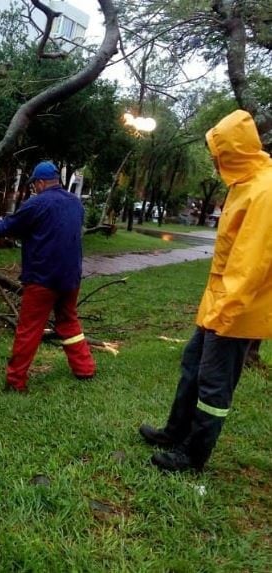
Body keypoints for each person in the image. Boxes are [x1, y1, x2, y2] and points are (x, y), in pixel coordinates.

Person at [139, 110, 272, 472]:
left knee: (214, 386)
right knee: (191, 367)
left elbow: (251, 265)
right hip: (217, 305)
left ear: (235, 151)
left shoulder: (263, 191)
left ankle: (193, 455)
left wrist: (222, 316)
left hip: (235, 312)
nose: (214, 160)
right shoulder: (244, 182)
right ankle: (174, 432)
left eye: (218, 153)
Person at [0, 160, 96, 393]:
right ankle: (85, 368)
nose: (34, 188)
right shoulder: (76, 204)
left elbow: (7, 228)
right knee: (69, 322)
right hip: (70, 278)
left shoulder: (36, 204)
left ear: (40, 182)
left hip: (42, 279)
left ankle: (15, 381)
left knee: (29, 329)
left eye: (34, 184)